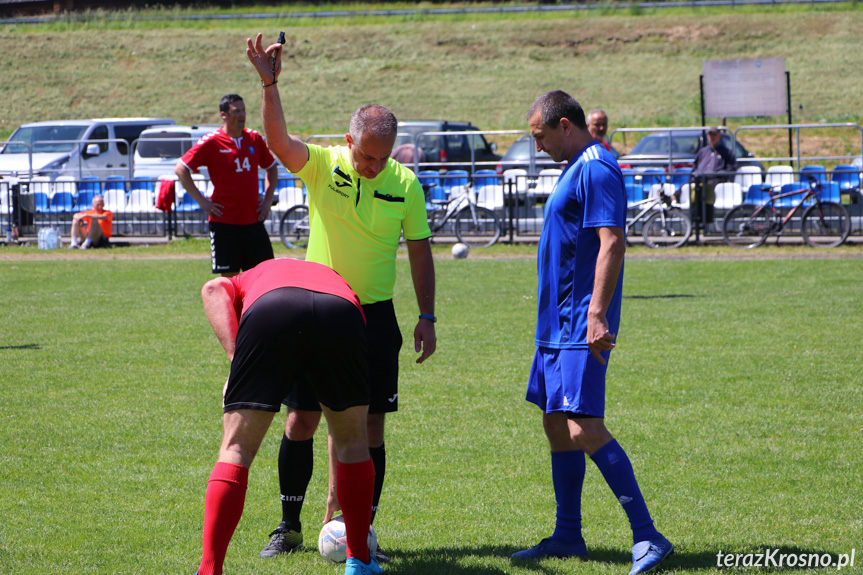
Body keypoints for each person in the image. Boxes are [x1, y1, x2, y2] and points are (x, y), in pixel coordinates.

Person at [245, 33, 436, 562]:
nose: (373, 167)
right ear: (349, 142)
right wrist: (269, 84)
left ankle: (360, 529)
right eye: (366, 157)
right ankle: (289, 525)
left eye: (382, 158)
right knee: (301, 420)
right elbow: (279, 141)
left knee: (368, 425)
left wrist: (427, 314)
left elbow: (419, 252)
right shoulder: (325, 166)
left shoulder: (407, 183)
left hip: (374, 319)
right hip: (317, 311)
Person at [512, 90, 673, 575]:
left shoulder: (597, 168)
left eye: (540, 136)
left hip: (580, 322)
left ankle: (649, 536)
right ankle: (567, 535)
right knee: (556, 423)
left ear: (565, 125)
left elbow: (613, 243)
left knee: (583, 425)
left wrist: (597, 314)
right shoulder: (575, 166)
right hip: (555, 326)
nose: (537, 147)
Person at [194, 258, 382, 575]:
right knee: (353, 442)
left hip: (272, 306)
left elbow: (213, 288)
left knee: (235, 449)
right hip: (341, 312)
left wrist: (236, 360)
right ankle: (359, 563)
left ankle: (210, 570)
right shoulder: (333, 277)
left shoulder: (247, 278)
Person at [175, 94, 280, 277]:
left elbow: (271, 169)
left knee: (262, 276)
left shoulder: (254, 138)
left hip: (253, 221)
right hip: (225, 223)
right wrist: (203, 202)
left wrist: (267, 201)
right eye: (236, 111)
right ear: (223, 115)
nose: (241, 115)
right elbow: (181, 169)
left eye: (243, 110)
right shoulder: (211, 141)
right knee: (230, 280)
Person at [690, 126, 737, 225]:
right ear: (707, 136)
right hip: (700, 180)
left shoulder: (726, 152)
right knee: (688, 186)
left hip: (716, 180)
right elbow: (694, 167)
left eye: (714, 135)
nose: (712, 137)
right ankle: (693, 221)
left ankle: (706, 222)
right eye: (710, 135)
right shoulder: (702, 151)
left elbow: (731, 169)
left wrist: (716, 174)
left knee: (707, 188)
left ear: (719, 136)